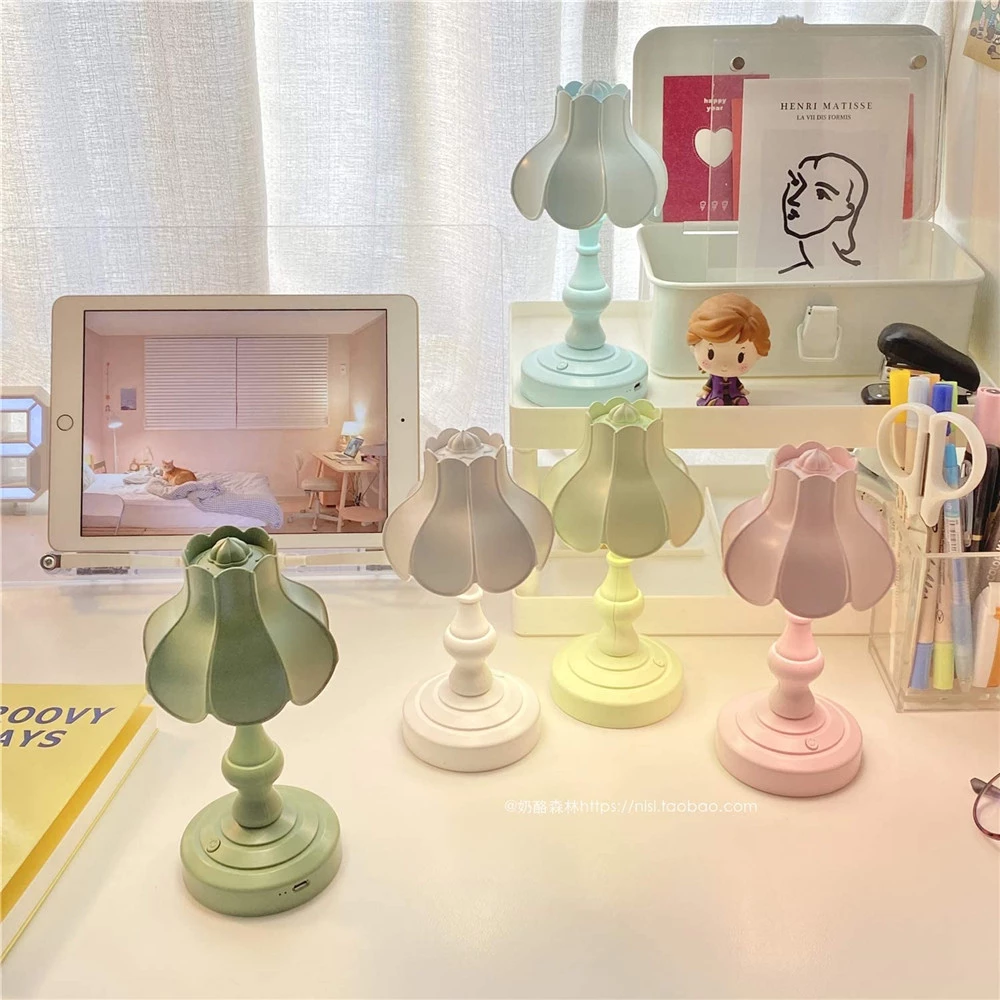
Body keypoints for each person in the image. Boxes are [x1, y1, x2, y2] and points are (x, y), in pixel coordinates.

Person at [780, 153, 869, 274]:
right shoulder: (784, 273)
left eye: (820, 193)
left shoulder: (853, 275)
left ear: (847, 210)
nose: (794, 199)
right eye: (796, 183)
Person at [687, 293, 771, 407]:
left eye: (741, 357)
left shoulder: (733, 378)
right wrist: (704, 391)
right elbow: (709, 385)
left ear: (758, 354)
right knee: (716, 399)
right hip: (716, 393)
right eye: (710, 354)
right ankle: (716, 401)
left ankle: (737, 399)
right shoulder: (715, 378)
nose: (725, 366)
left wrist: (742, 390)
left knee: (737, 397)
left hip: (733, 392)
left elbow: (738, 384)